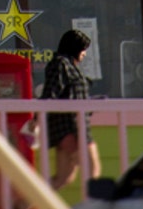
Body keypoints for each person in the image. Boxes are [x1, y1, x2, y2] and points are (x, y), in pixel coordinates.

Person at [39, 28, 101, 192]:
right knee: (92, 168)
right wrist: (36, 119)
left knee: (64, 177)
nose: (84, 54)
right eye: (83, 49)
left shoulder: (70, 66)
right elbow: (50, 93)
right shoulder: (60, 64)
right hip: (70, 126)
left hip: (75, 125)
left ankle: (22, 205)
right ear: (74, 47)